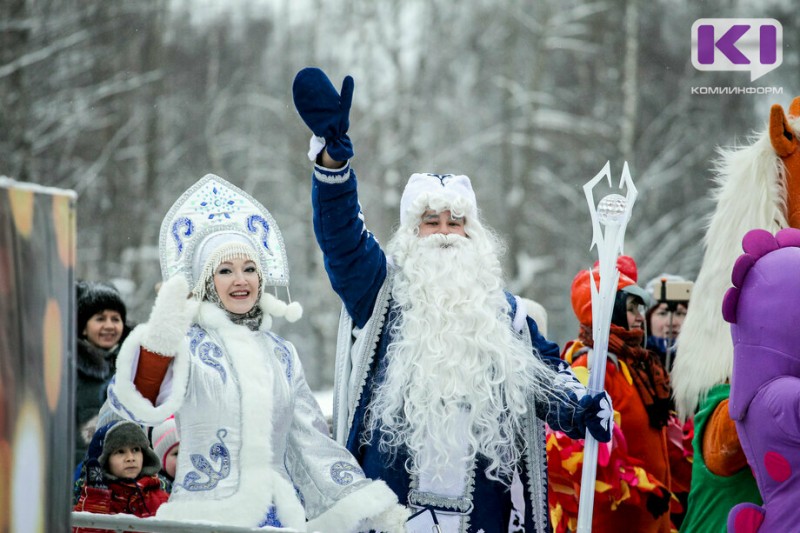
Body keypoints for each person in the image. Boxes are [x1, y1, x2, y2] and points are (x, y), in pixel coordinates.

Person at [292, 67, 613, 532]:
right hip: (393, 513)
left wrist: (580, 407)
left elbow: (544, 379)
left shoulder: (507, 316)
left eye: (455, 222)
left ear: (472, 233)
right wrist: (332, 167)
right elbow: (342, 240)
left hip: (482, 515)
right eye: (431, 222)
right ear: (411, 233)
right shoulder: (379, 294)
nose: (444, 234)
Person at [104, 174, 407, 532]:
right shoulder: (185, 345)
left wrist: (370, 502)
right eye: (226, 271)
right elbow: (130, 406)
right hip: (201, 518)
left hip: (275, 521)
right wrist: (162, 335)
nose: (241, 280)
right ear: (206, 280)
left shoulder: (282, 355)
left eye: (250, 269)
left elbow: (311, 443)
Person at [548, 257, 690, 533]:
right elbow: (569, 448)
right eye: (632, 307)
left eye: (640, 307)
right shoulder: (589, 369)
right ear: (608, 311)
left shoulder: (637, 368)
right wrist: (636, 486)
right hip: (611, 522)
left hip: (653, 523)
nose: (640, 316)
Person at [73, 420, 169, 533]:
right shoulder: (88, 498)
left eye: (136, 449)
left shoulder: (161, 499)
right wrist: (96, 499)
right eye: (120, 452)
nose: (130, 458)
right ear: (103, 461)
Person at [75, 280, 131, 468]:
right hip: (79, 473)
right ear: (83, 327)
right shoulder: (69, 367)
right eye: (100, 319)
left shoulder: (132, 364)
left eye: (115, 319)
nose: (109, 326)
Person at [644, 274, 689, 371]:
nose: (671, 323)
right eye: (662, 313)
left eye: (680, 313)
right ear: (647, 320)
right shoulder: (636, 361)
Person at [150, 416, 179, 493]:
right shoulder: (157, 488)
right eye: (176, 453)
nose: (182, 458)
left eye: (185, 451)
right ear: (161, 460)